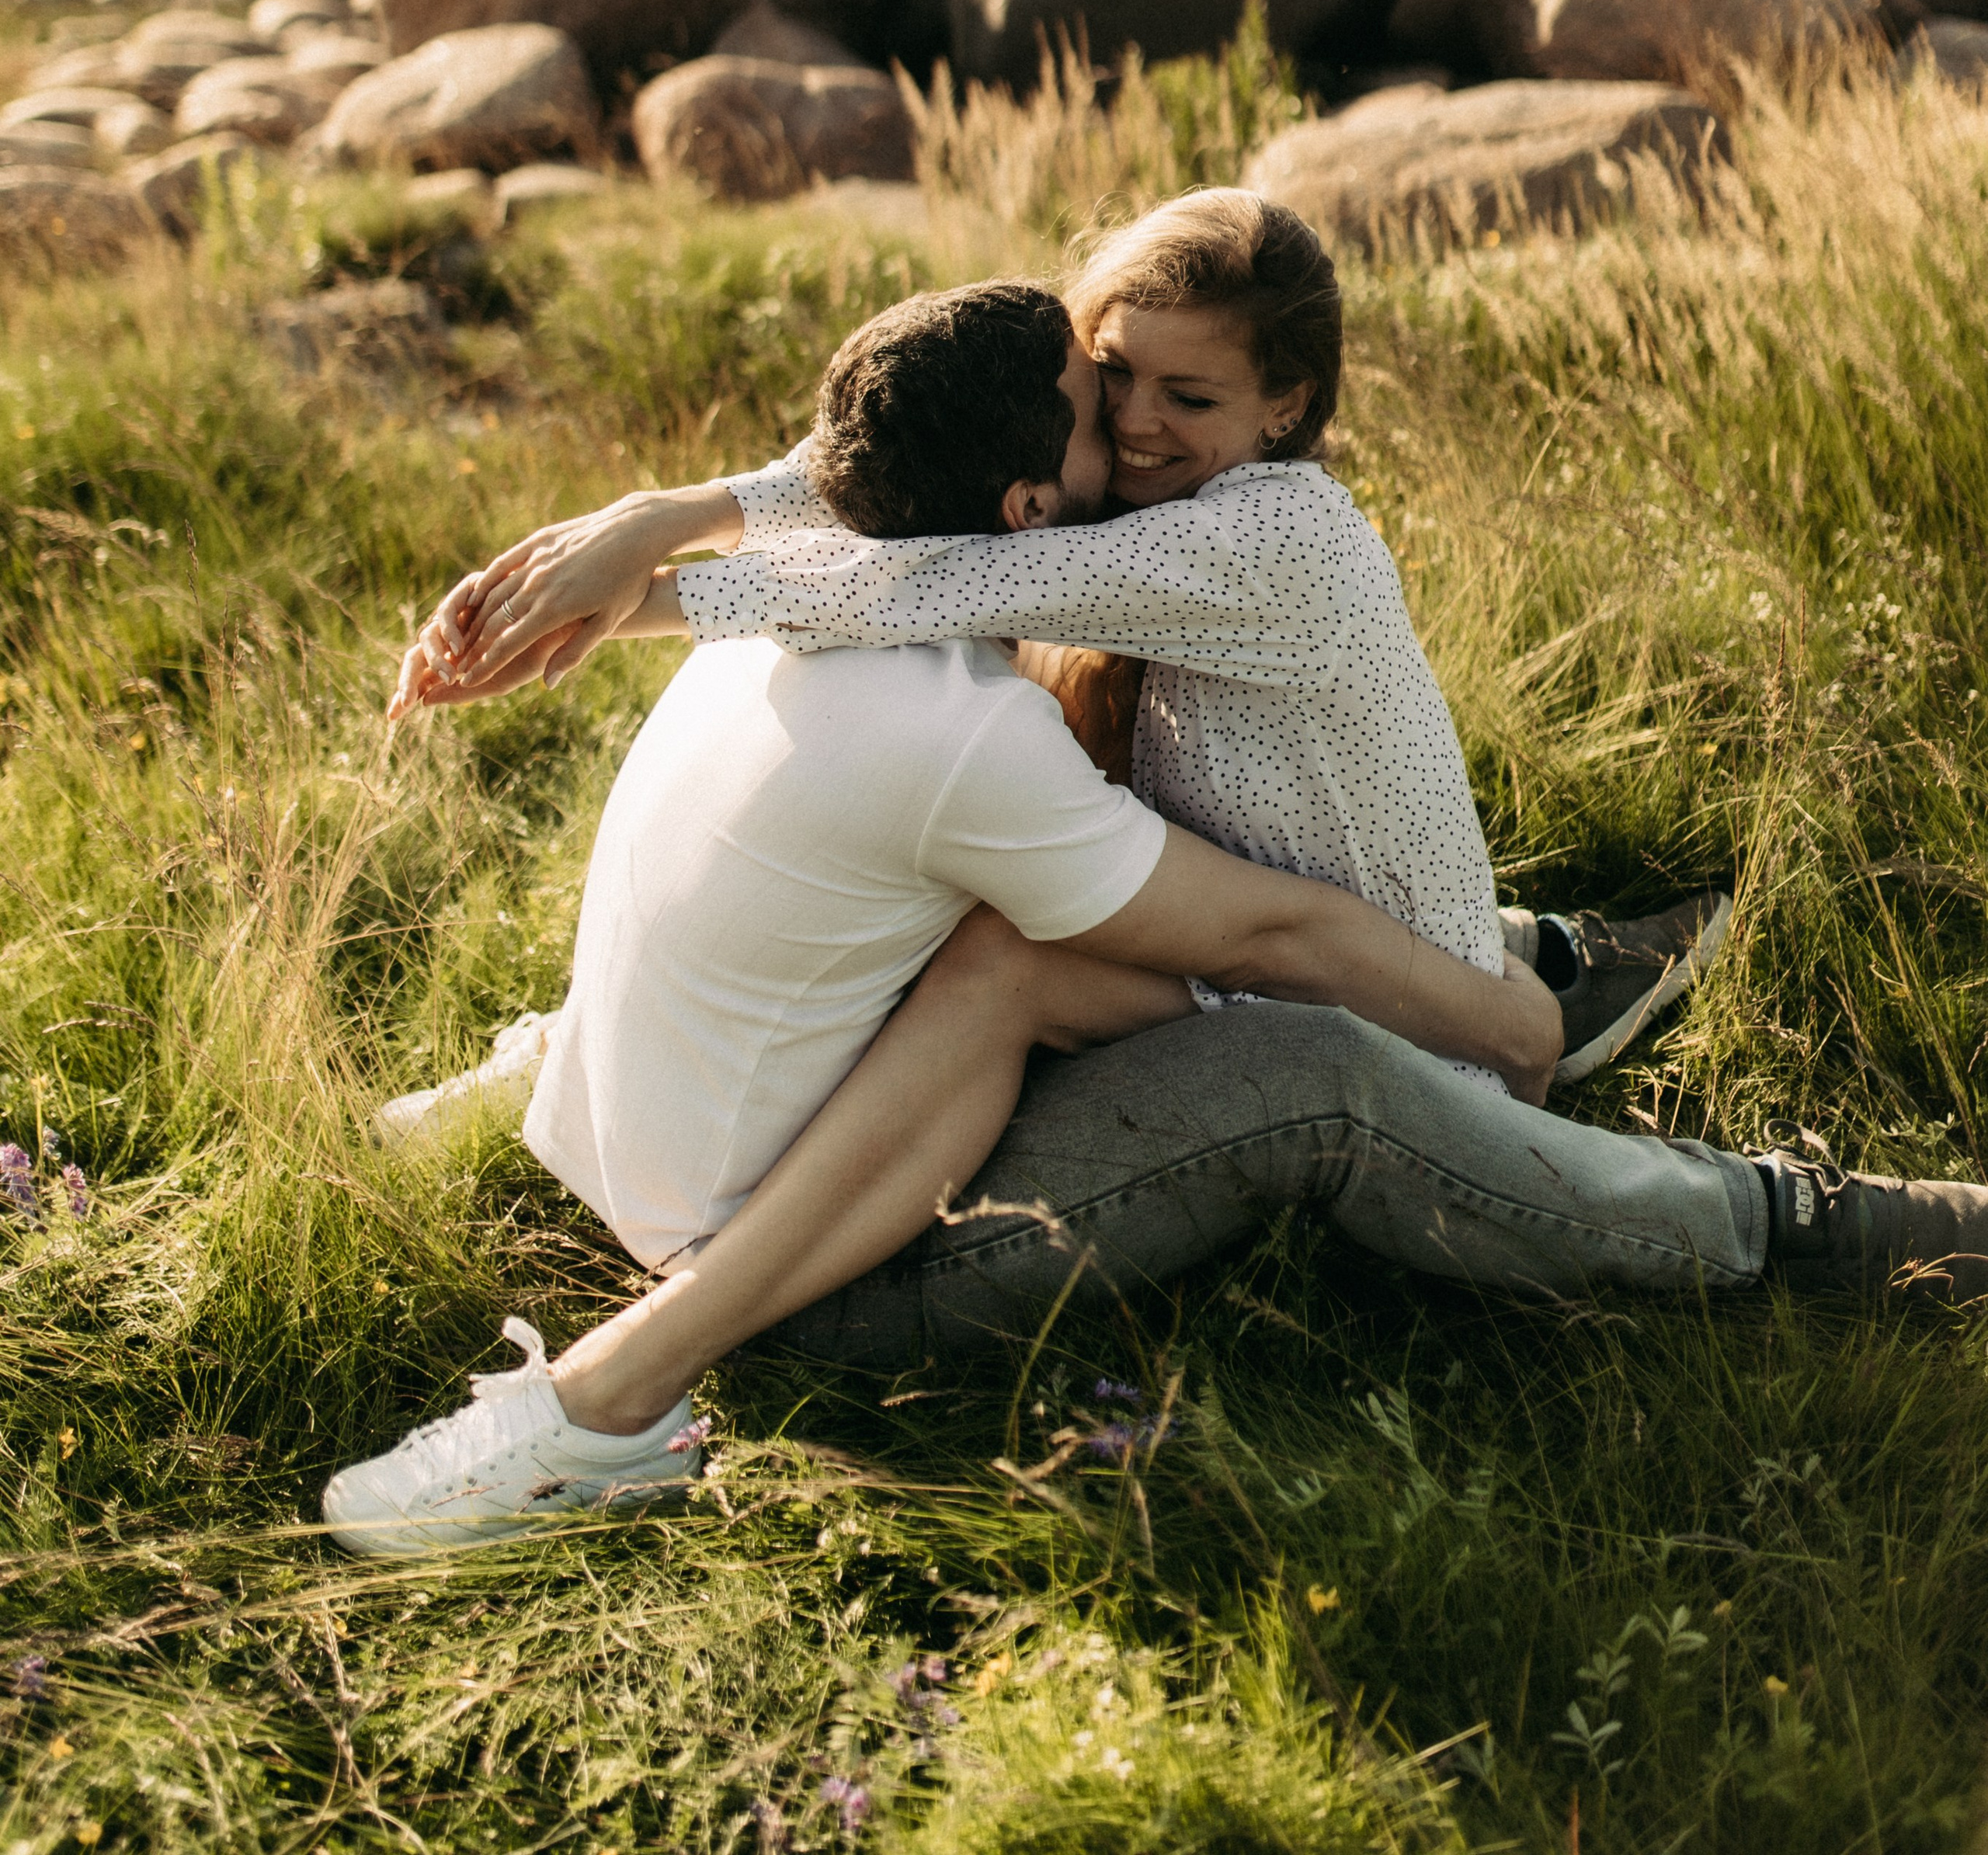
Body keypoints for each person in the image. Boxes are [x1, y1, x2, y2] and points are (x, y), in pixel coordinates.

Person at [328, 275, 1988, 1558]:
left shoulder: (796, 616)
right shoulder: (955, 732)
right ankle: (1783, 1219)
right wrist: (1485, 1020)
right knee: (1315, 1067)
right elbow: (1260, 936)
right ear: (1021, 509)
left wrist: (656, 526)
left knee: (1093, 950)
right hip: (793, 1271)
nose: (1126, 432)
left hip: (666, 1141)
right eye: (1093, 406)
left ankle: (1539, 955)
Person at [399, 192, 1729, 1103]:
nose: (1138, 427)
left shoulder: (1275, 542)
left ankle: (584, 1071)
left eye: (1189, 397)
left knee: (961, 912)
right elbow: (922, 467)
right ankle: (576, 1052)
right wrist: (657, 519)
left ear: (1288, 406)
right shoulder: (1156, 490)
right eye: (1113, 382)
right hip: (1253, 942)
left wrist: (627, 592)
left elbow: (932, 576)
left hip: (1400, 1039)